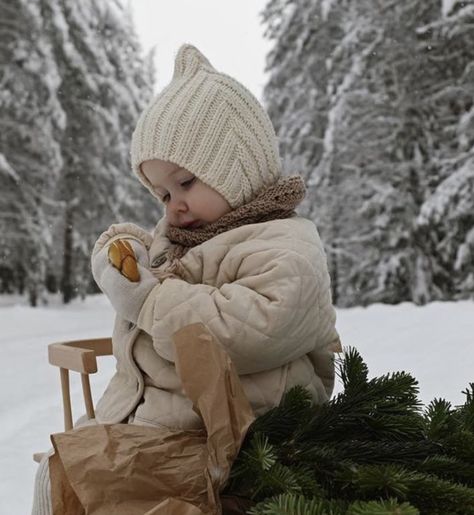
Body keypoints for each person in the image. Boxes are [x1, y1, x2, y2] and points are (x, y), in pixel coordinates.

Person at [31, 43, 340, 514]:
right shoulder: (183, 238)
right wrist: (121, 255)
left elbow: (250, 330)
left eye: (186, 183)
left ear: (236, 169)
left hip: (238, 442)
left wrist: (150, 303)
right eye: (161, 193)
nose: (173, 204)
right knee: (58, 470)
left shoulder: (284, 245)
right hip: (157, 425)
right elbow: (139, 267)